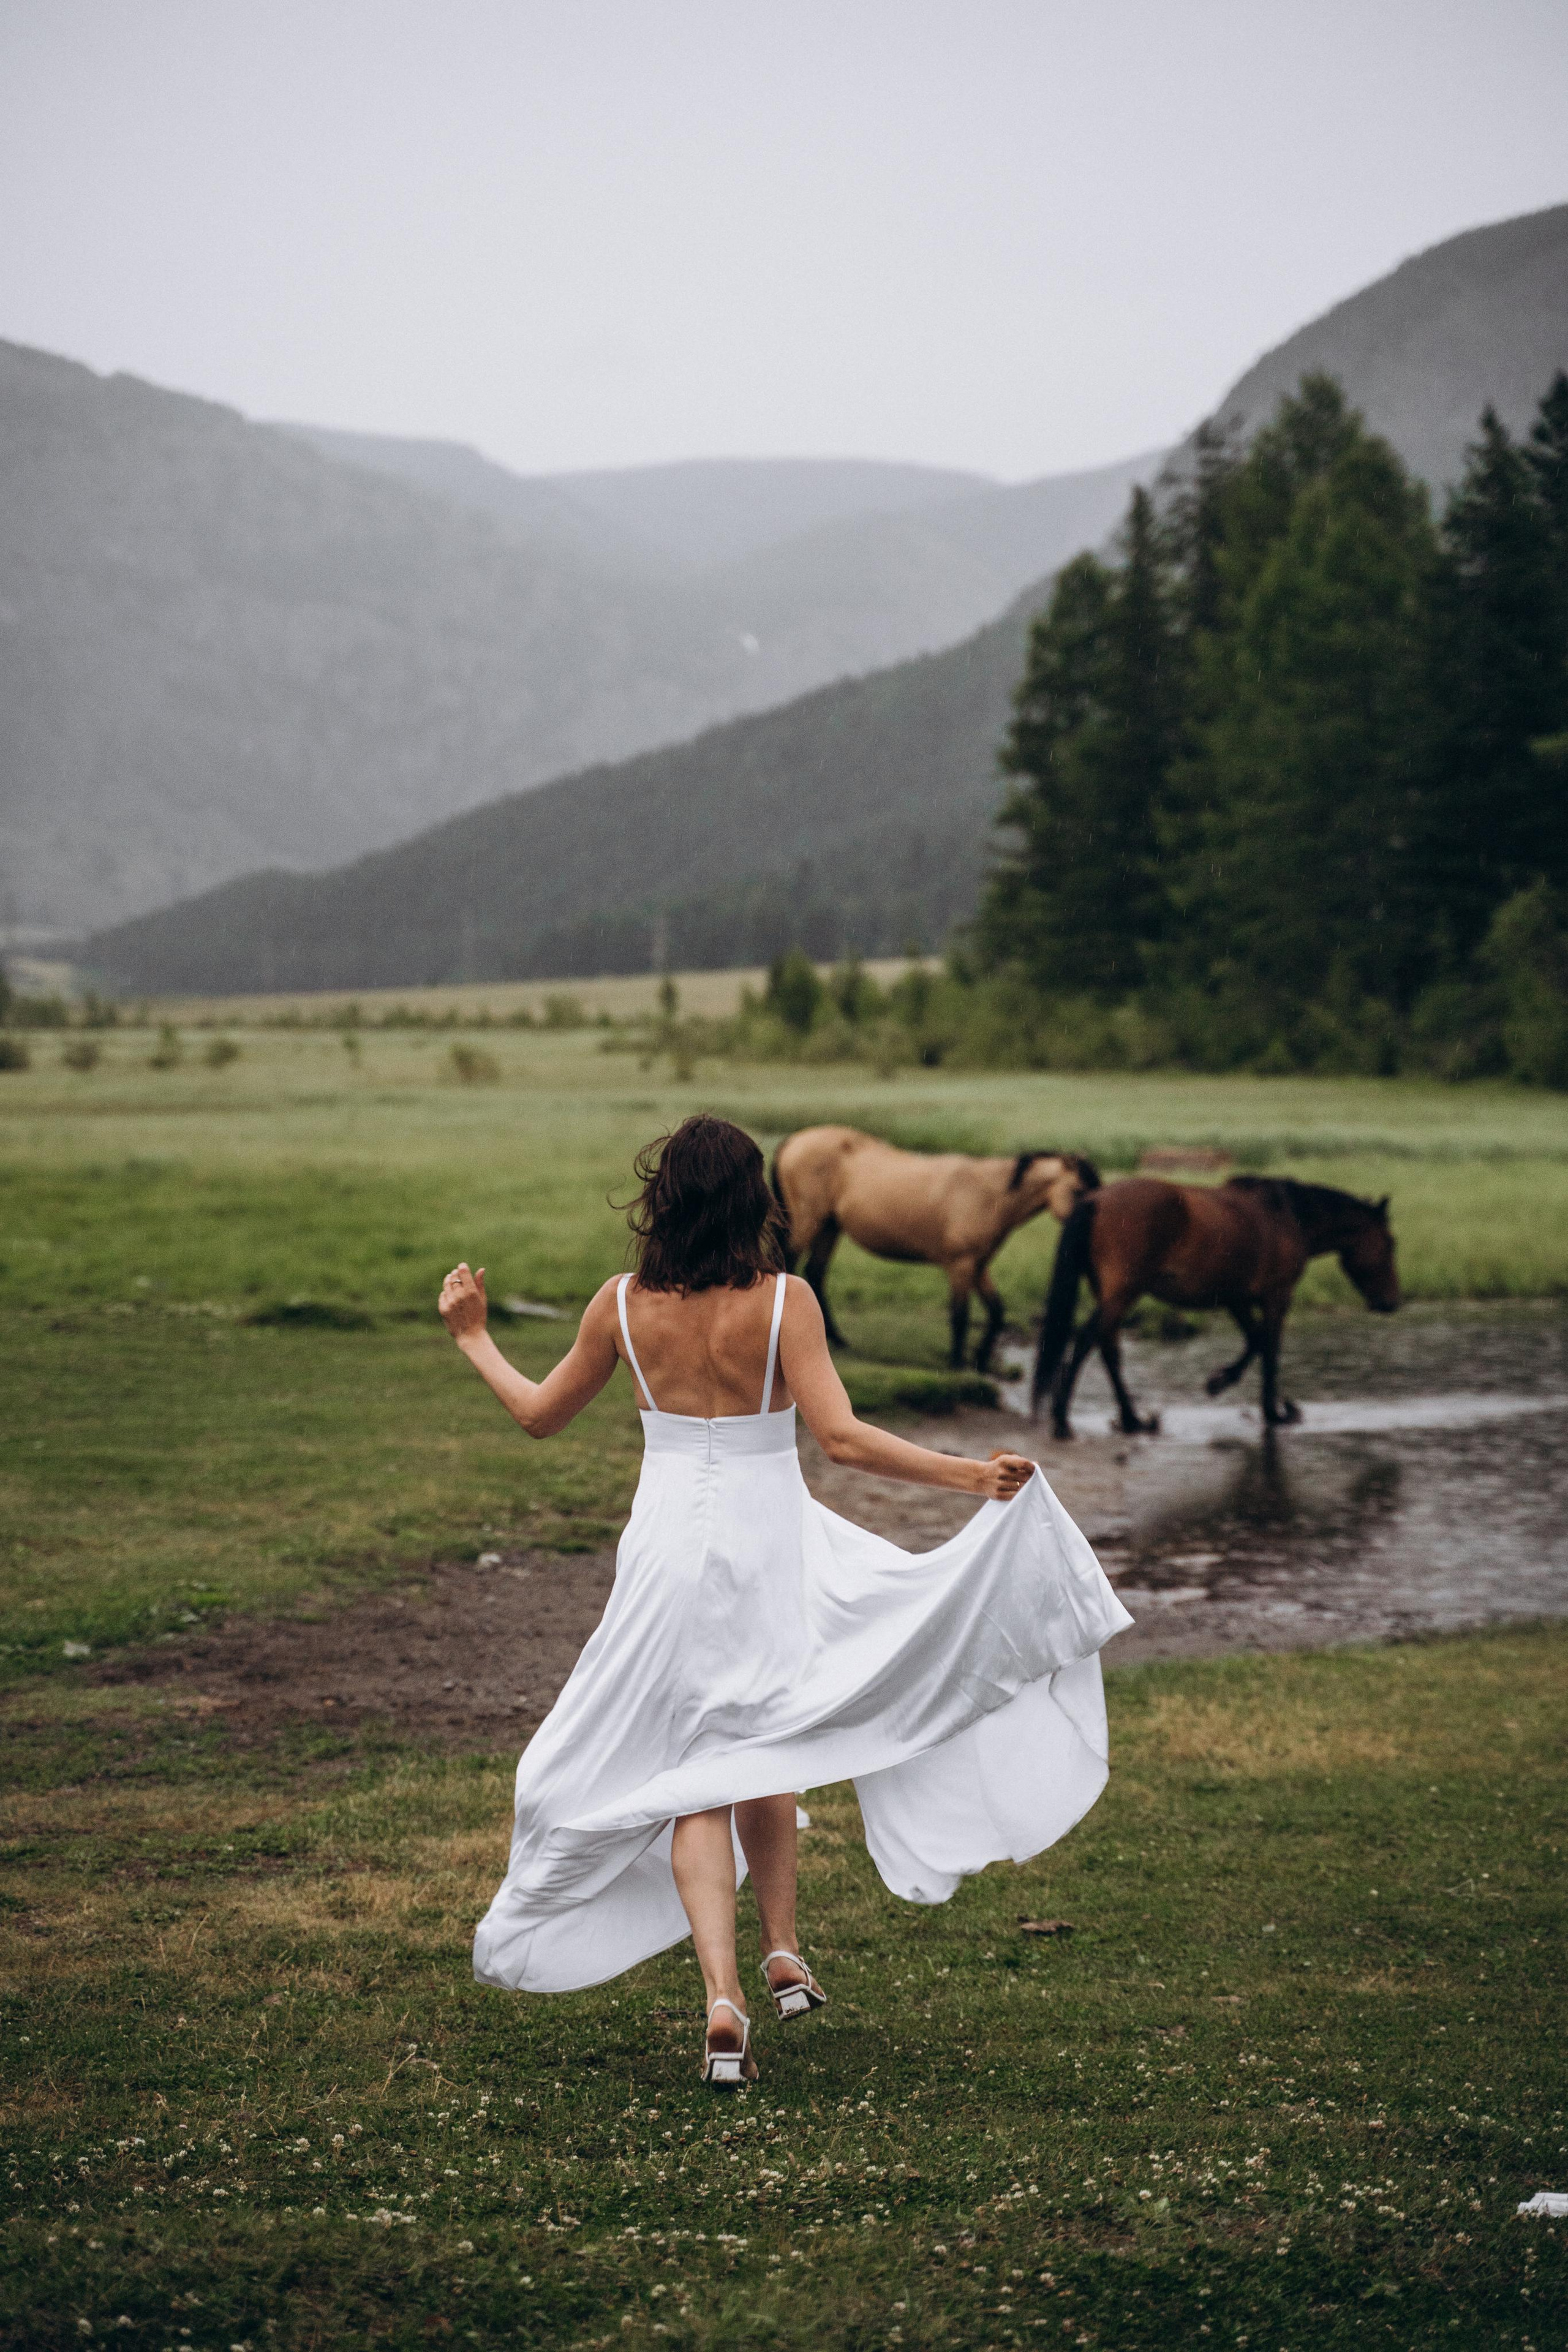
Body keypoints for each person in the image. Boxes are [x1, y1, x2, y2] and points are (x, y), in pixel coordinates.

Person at [439, 1114, 1131, 2088]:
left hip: (668, 1551)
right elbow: (841, 1439)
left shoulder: (621, 1305)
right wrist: (969, 1478)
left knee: (699, 1769)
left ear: (662, 1197)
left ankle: (727, 1994)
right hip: (769, 1544)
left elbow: (538, 1414)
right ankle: (780, 1949)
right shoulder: (786, 1301)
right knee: (766, 1735)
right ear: (755, 1199)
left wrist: (474, 1337)